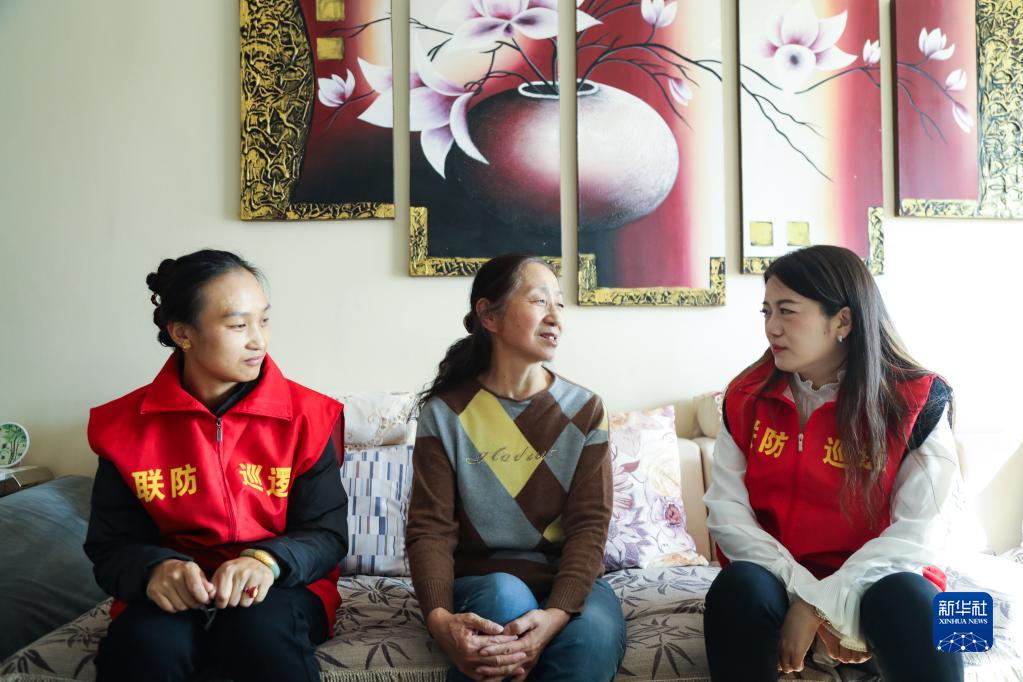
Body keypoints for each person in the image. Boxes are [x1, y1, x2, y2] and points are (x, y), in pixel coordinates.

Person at [84, 249, 348, 682]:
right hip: (174, 593)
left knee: (257, 631)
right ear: (182, 333)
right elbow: (111, 546)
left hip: (280, 587)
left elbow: (327, 534)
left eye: (264, 320)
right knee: (144, 645)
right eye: (238, 325)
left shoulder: (308, 418)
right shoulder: (122, 428)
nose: (259, 340)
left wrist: (266, 561)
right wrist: (156, 569)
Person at [702, 245, 963, 681]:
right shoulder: (745, 397)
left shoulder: (919, 400)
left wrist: (822, 605)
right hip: (781, 586)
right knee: (737, 586)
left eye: (787, 311)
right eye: (766, 311)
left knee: (916, 600)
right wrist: (805, 594)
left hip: (887, 585)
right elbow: (727, 516)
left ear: (842, 321)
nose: (771, 327)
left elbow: (920, 534)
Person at [406, 254, 625, 682]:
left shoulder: (585, 410)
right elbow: (430, 529)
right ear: (489, 315)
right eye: (540, 301)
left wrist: (556, 615)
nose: (555, 317)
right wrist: (438, 618)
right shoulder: (446, 413)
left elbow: (589, 526)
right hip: (482, 583)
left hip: (567, 583)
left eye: (559, 303)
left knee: (591, 639)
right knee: (504, 598)